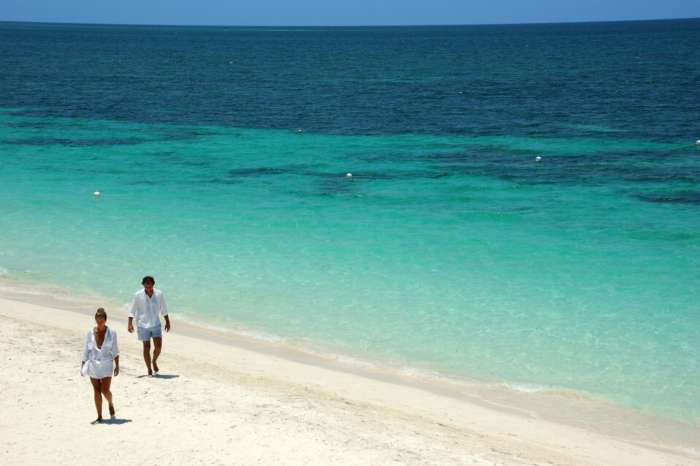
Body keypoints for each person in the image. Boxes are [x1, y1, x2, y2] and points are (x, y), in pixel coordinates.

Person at [81, 308, 119, 424]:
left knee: (105, 390)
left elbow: (115, 350)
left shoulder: (112, 332)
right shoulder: (90, 332)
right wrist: (83, 363)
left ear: (105, 319)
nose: (99, 321)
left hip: (107, 364)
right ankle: (99, 417)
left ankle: (111, 403)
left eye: (101, 318)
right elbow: (86, 350)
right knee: (96, 390)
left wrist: (117, 365)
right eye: (97, 318)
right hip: (93, 364)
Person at [128, 275, 171, 376]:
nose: (148, 287)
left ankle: (154, 360)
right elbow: (132, 310)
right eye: (146, 285)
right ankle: (149, 369)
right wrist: (130, 323)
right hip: (142, 324)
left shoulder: (159, 294)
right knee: (146, 347)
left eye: (150, 285)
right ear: (143, 285)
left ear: (153, 284)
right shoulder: (138, 295)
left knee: (158, 346)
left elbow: (164, 308)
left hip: (155, 323)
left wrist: (167, 321)